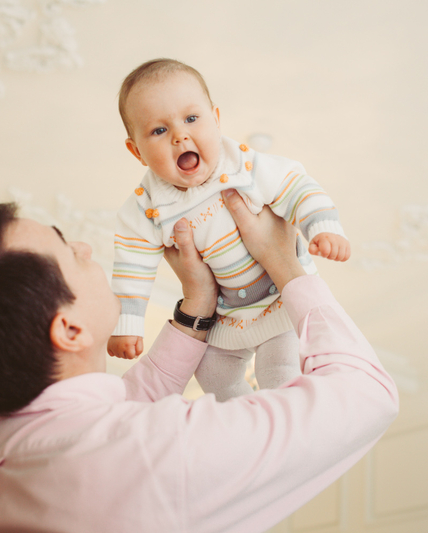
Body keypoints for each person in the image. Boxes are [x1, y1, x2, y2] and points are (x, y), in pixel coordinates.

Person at [0, 189, 398, 533]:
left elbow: (110, 420)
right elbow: (366, 395)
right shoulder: (163, 451)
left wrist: (198, 304)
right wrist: (283, 262)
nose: (83, 246)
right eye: (66, 249)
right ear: (70, 330)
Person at [109, 58, 351, 401]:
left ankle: (280, 417)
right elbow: (131, 267)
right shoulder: (145, 208)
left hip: (279, 301)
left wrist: (322, 227)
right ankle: (245, 419)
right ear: (137, 151)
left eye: (191, 118)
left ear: (216, 119)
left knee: (278, 372)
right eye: (159, 131)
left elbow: (296, 185)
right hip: (225, 316)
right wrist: (127, 324)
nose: (180, 135)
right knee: (213, 376)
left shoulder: (243, 165)